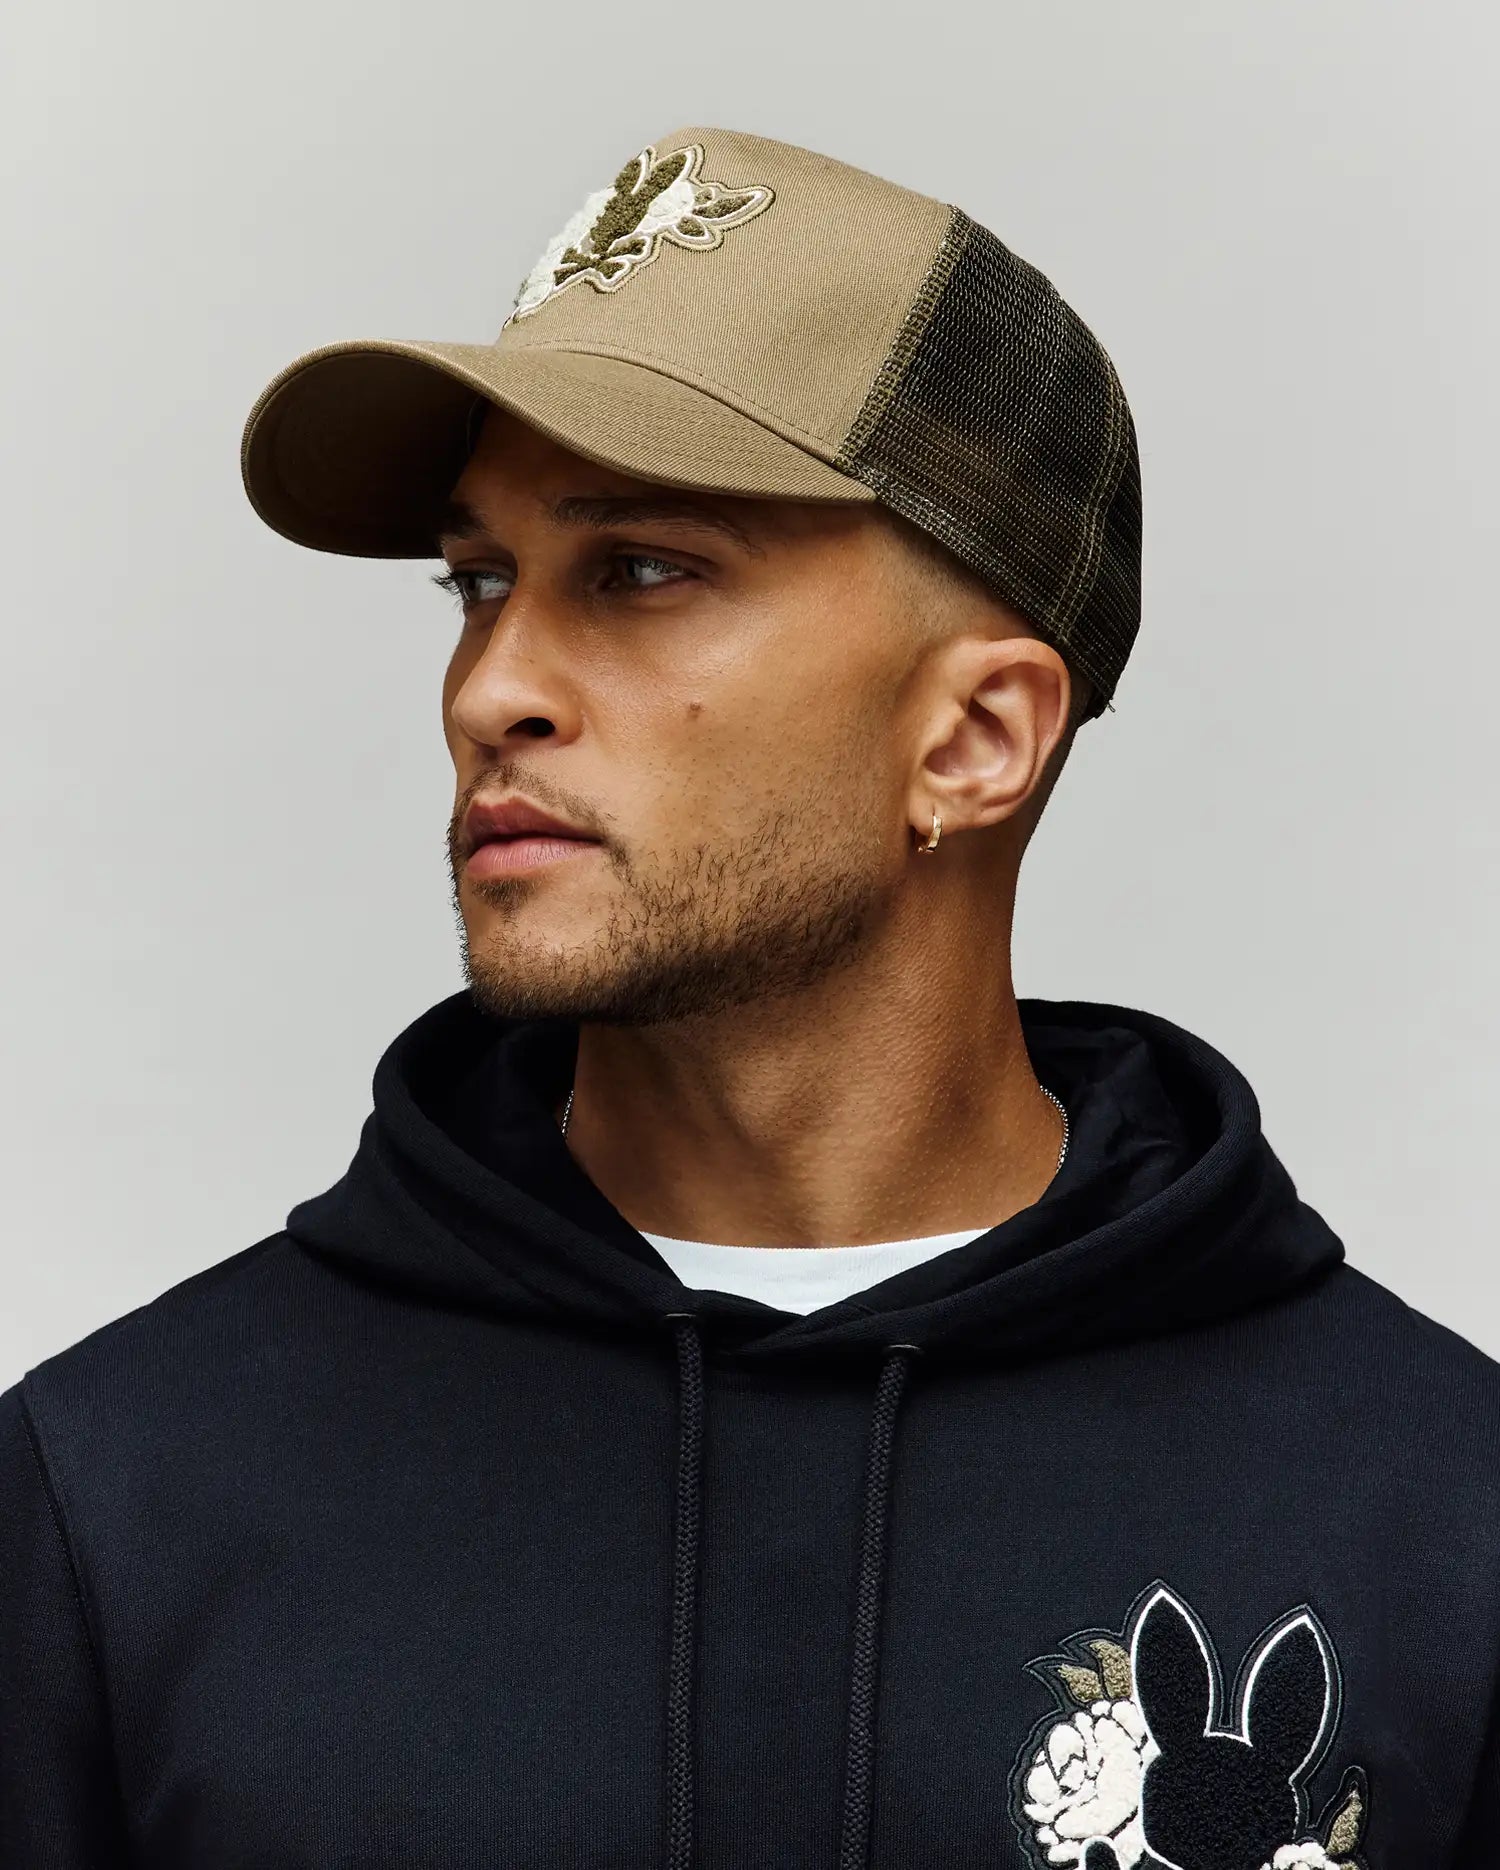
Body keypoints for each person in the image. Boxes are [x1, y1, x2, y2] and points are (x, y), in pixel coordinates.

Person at [2, 123, 1496, 1870]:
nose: (489, 688)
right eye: (477, 582)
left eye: (640, 569)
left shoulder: (1437, 1514)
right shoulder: (114, 1496)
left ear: (976, 736)